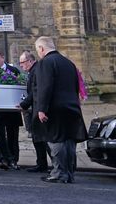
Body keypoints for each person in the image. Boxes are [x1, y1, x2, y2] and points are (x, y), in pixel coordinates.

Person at [34, 36, 88, 184]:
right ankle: (69, 173)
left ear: (42, 48)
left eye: (37, 49)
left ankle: (59, 173)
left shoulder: (45, 63)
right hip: (72, 106)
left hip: (55, 108)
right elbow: (76, 86)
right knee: (69, 141)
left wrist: (41, 109)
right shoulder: (69, 63)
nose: (38, 53)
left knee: (55, 140)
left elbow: (45, 87)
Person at [0, 50, 23, 170]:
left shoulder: (13, 71)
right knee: (0, 134)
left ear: (3, 57)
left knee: (13, 134)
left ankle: (13, 159)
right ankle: (2, 159)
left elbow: (20, 85)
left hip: (12, 109)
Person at [17, 50, 50, 173]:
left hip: (38, 110)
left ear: (30, 61)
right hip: (35, 109)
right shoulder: (33, 71)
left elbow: (34, 92)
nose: (21, 65)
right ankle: (41, 164)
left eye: (22, 62)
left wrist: (23, 104)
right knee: (38, 139)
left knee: (43, 139)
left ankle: (50, 165)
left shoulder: (36, 71)